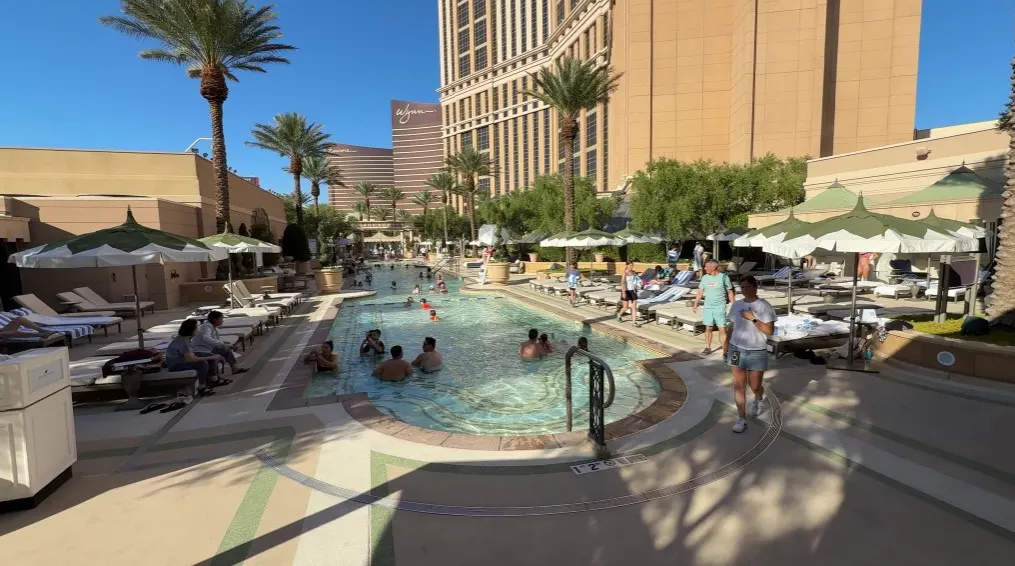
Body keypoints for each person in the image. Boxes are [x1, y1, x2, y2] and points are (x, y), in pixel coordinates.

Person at [721, 275, 776, 433]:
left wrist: (753, 319)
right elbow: (732, 326)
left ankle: (758, 398)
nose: (744, 290)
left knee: (755, 385)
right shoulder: (737, 305)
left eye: (747, 287)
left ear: (755, 287)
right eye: (742, 287)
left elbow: (769, 331)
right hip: (736, 349)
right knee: (739, 385)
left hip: (757, 351)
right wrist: (726, 345)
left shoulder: (764, 306)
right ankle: (741, 419)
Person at [692, 260, 735, 356]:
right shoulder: (705, 278)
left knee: (722, 329)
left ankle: (725, 350)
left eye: (706, 266)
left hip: (720, 307)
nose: (704, 268)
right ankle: (707, 347)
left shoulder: (724, 277)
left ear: (713, 267)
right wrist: (695, 303)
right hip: (708, 307)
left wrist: (734, 305)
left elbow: (730, 292)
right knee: (708, 328)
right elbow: (700, 291)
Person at [166, 319, 222, 391]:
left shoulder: (186, 338)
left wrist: (210, 356)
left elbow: (191, 355)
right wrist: (211, 357)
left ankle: (213, 379)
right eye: (197, 328)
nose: (198, 330)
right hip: (176, 366)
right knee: (202, 363)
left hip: (182, 359)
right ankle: (202, 386)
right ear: (191, 329)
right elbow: (191, 359)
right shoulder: (183, 341)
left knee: (207, 355)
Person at [191, 311, 247, 377]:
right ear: (215, 319)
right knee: (220, 353)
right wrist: (222, 345)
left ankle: (234, 369)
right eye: (221, 319)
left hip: (209, 348)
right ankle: (214, 377)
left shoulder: (213, 327)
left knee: (227, 349)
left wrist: (227, 345)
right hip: (201, 350)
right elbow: (206, 338)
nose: (222, 321)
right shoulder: (206, 327)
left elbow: (215, 340)